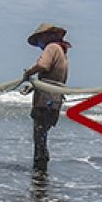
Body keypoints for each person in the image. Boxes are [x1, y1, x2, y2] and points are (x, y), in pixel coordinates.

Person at [22, 23, 70, 172]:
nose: (40, 45)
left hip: (45, 101)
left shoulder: (52, 48)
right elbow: (54, 77)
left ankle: (40, 174)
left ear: (46, 36)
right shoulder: (61, 52)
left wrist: (29, 72)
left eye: (40, 40)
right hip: (55, 100)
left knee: (39, 139)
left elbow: (43, 65)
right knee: (42, 137)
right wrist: (33, 86)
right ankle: (41, 178)